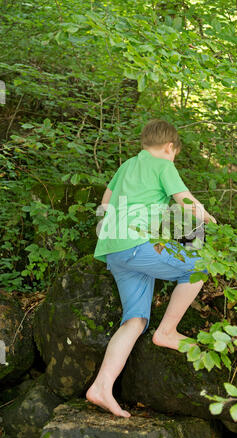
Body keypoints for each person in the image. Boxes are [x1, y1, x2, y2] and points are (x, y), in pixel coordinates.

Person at [86, 119, 217, 418]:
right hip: (134, 244)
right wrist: (209, 219)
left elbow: (105, 203)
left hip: (112, 250)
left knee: (134, 320)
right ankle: (168, 331)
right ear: (170, 148)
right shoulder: (164, 166)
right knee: (198, 266)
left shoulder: (127, 165)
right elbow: (186, 203)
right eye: (175, 155)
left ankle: (101, 386)